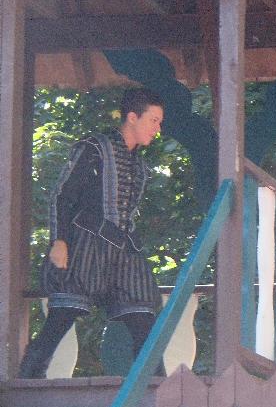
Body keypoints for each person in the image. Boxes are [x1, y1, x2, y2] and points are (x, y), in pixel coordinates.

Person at [18, 88, 165, 379]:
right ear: (132, 117)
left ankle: (157, 387)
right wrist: (59, 240)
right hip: (86, 244)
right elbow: (63, 195)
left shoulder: (139, 165)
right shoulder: (95, 148)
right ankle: (29, 377)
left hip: (123, 251)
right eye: (153, 120)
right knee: (63, 314)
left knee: (143, 318)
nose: (157, 129)